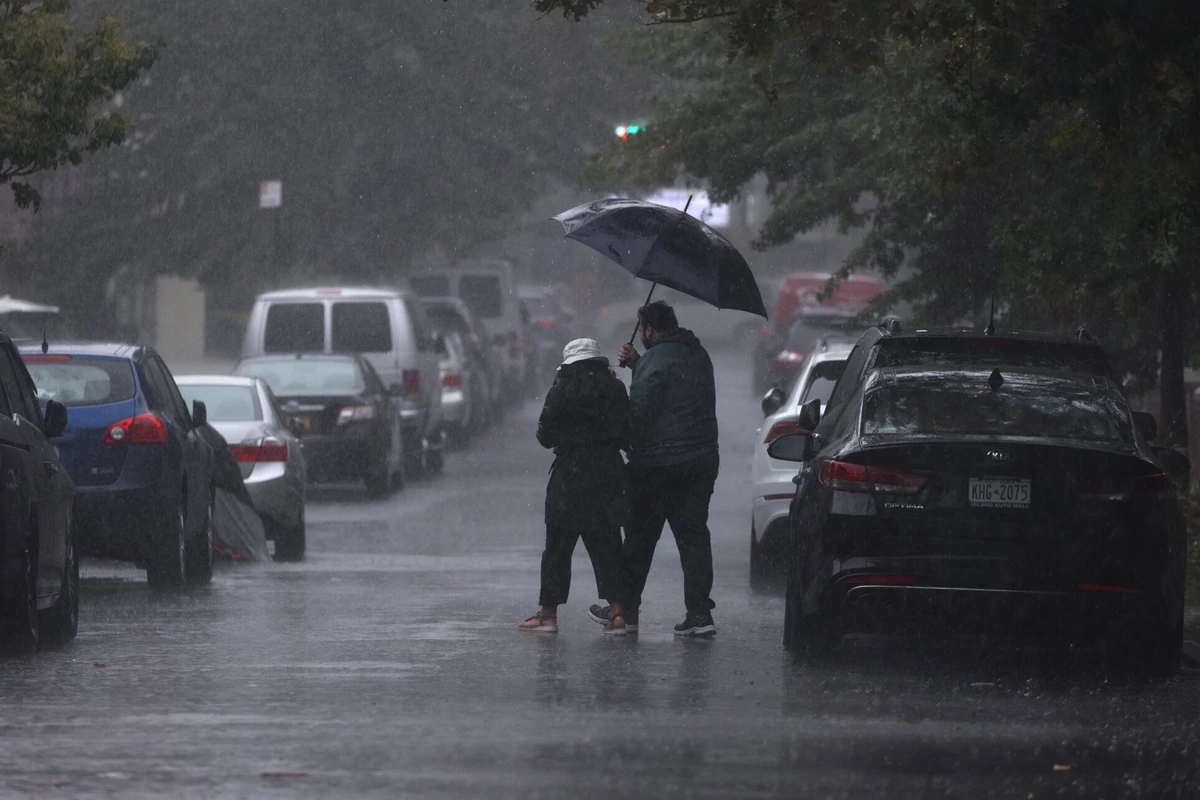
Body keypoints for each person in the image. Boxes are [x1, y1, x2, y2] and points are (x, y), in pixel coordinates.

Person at [590, 301, 719, 637]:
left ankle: (627, 611)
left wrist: (615, 391)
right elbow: (675, 388)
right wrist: (639, 364)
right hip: (701, 461)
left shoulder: (656, 361)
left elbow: (641, 414)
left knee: (639, 539)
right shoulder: (697, 354)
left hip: (658, 468)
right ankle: (700, 615)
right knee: (693, 540)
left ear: (648, 329)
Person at [519, 338, 632, 636]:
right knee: (608, 546)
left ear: (569, 364)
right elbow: (627, 433)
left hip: (568, 479)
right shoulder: (615, 389)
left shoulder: (561, 390)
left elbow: (545, 437)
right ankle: (618, 615)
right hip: (607, 477)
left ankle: (548, 617)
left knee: (557, 549)